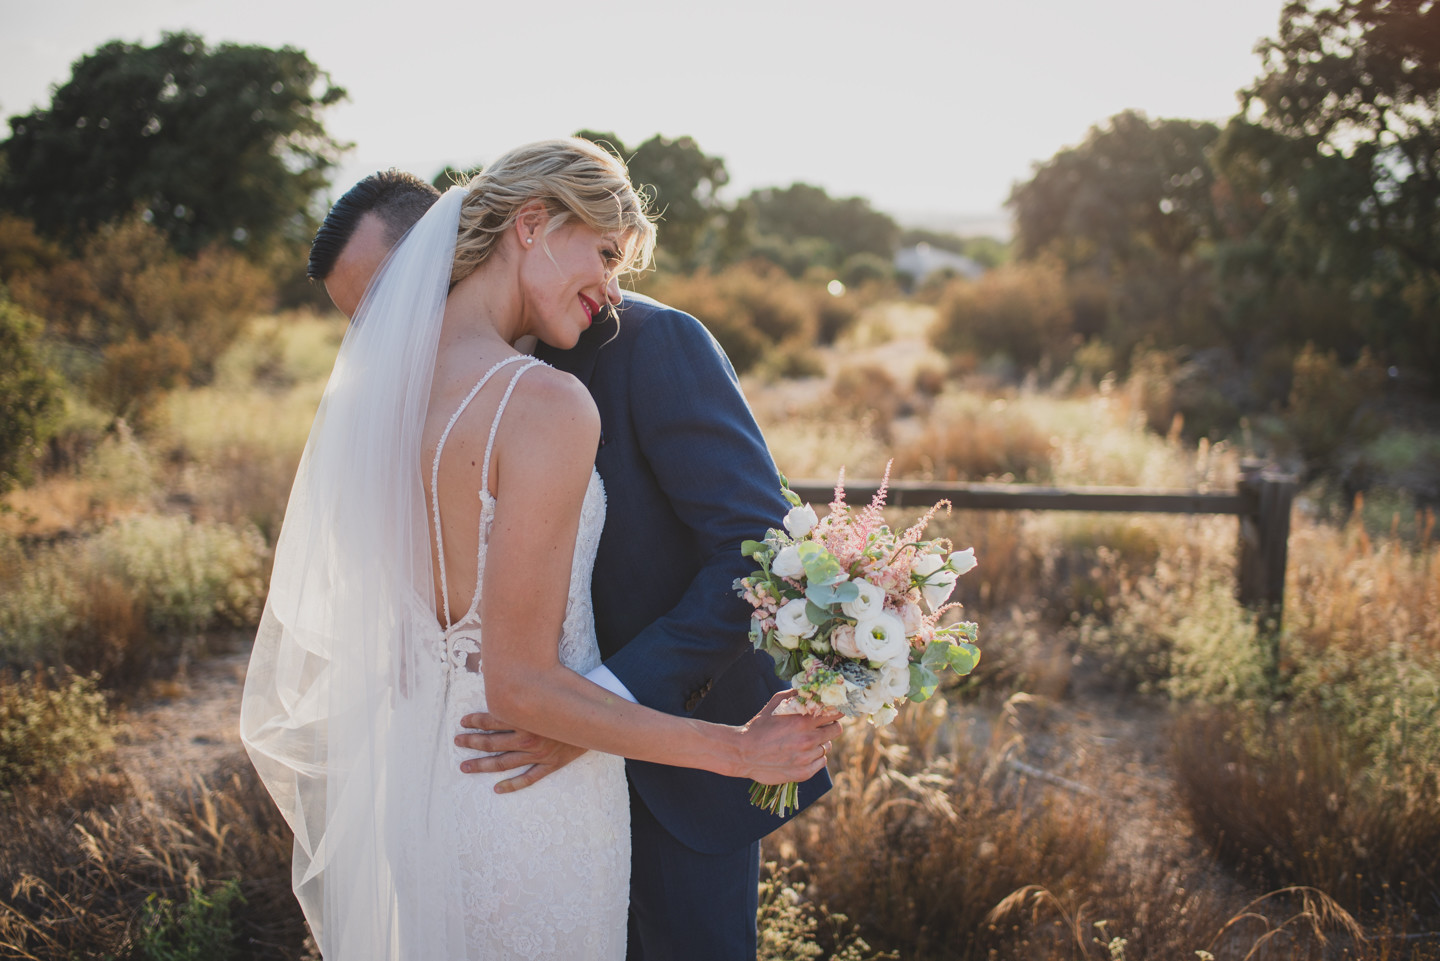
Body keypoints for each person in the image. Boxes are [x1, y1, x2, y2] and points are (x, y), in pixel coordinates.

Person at [240, 139, 837, 960]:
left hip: (671, 796)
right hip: (490, 788)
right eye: (363, 318)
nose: (390, 327)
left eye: (392, 293)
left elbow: (756, 553)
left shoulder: (650, 343)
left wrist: (593, 706)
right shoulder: (406, 398)